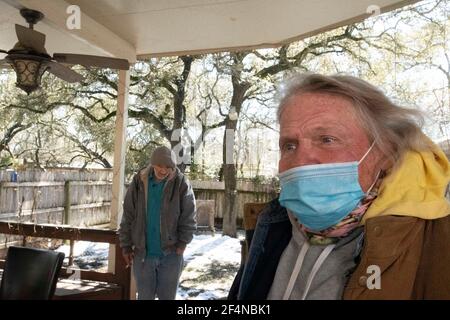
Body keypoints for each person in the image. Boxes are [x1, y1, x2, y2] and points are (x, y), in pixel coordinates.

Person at [229, 73, 450, 300]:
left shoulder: (437, 243)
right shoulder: (272, 222)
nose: (301, 160)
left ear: (386, 153)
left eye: (327, 139)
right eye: (290, 145)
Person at [119, 146, 196, 300]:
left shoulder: (181, 183)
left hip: (171, 254)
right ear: (153, 164)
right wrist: (126, 245)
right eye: (160, 166)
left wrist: (182, 243)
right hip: (143, 255)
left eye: (168, 167)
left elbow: (189, 215)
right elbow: (128, 214)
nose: (163, 170)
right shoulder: (139, 181)